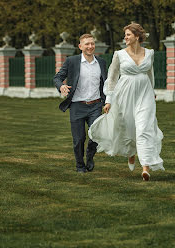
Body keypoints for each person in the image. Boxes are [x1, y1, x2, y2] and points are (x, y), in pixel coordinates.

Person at [88, 22, 164, 181]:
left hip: (145, 94)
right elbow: (112, 78)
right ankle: (131, 153)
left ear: (137, 36)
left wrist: (153, 91)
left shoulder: (149, 53)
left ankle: (145, 167)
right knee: (128, 127)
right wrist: (108, 100)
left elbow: (150, 75)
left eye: (128, 34)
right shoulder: (119, 54)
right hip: (125, 94)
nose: (125, 37)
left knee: (144, 128)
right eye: (125, 35)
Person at [53, 34, 108, 173]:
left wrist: (107, 101)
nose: (90, 46)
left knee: (96, 135)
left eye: (92, 44)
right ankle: (80, 166)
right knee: (78, 139)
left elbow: (107, 84)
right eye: (87, 44)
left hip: (95, 105)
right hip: (77, 105)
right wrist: (61, 86)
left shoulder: (101, 62)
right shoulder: (72, 61)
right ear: (80, 46)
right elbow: (58, 77)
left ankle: (90, 155)